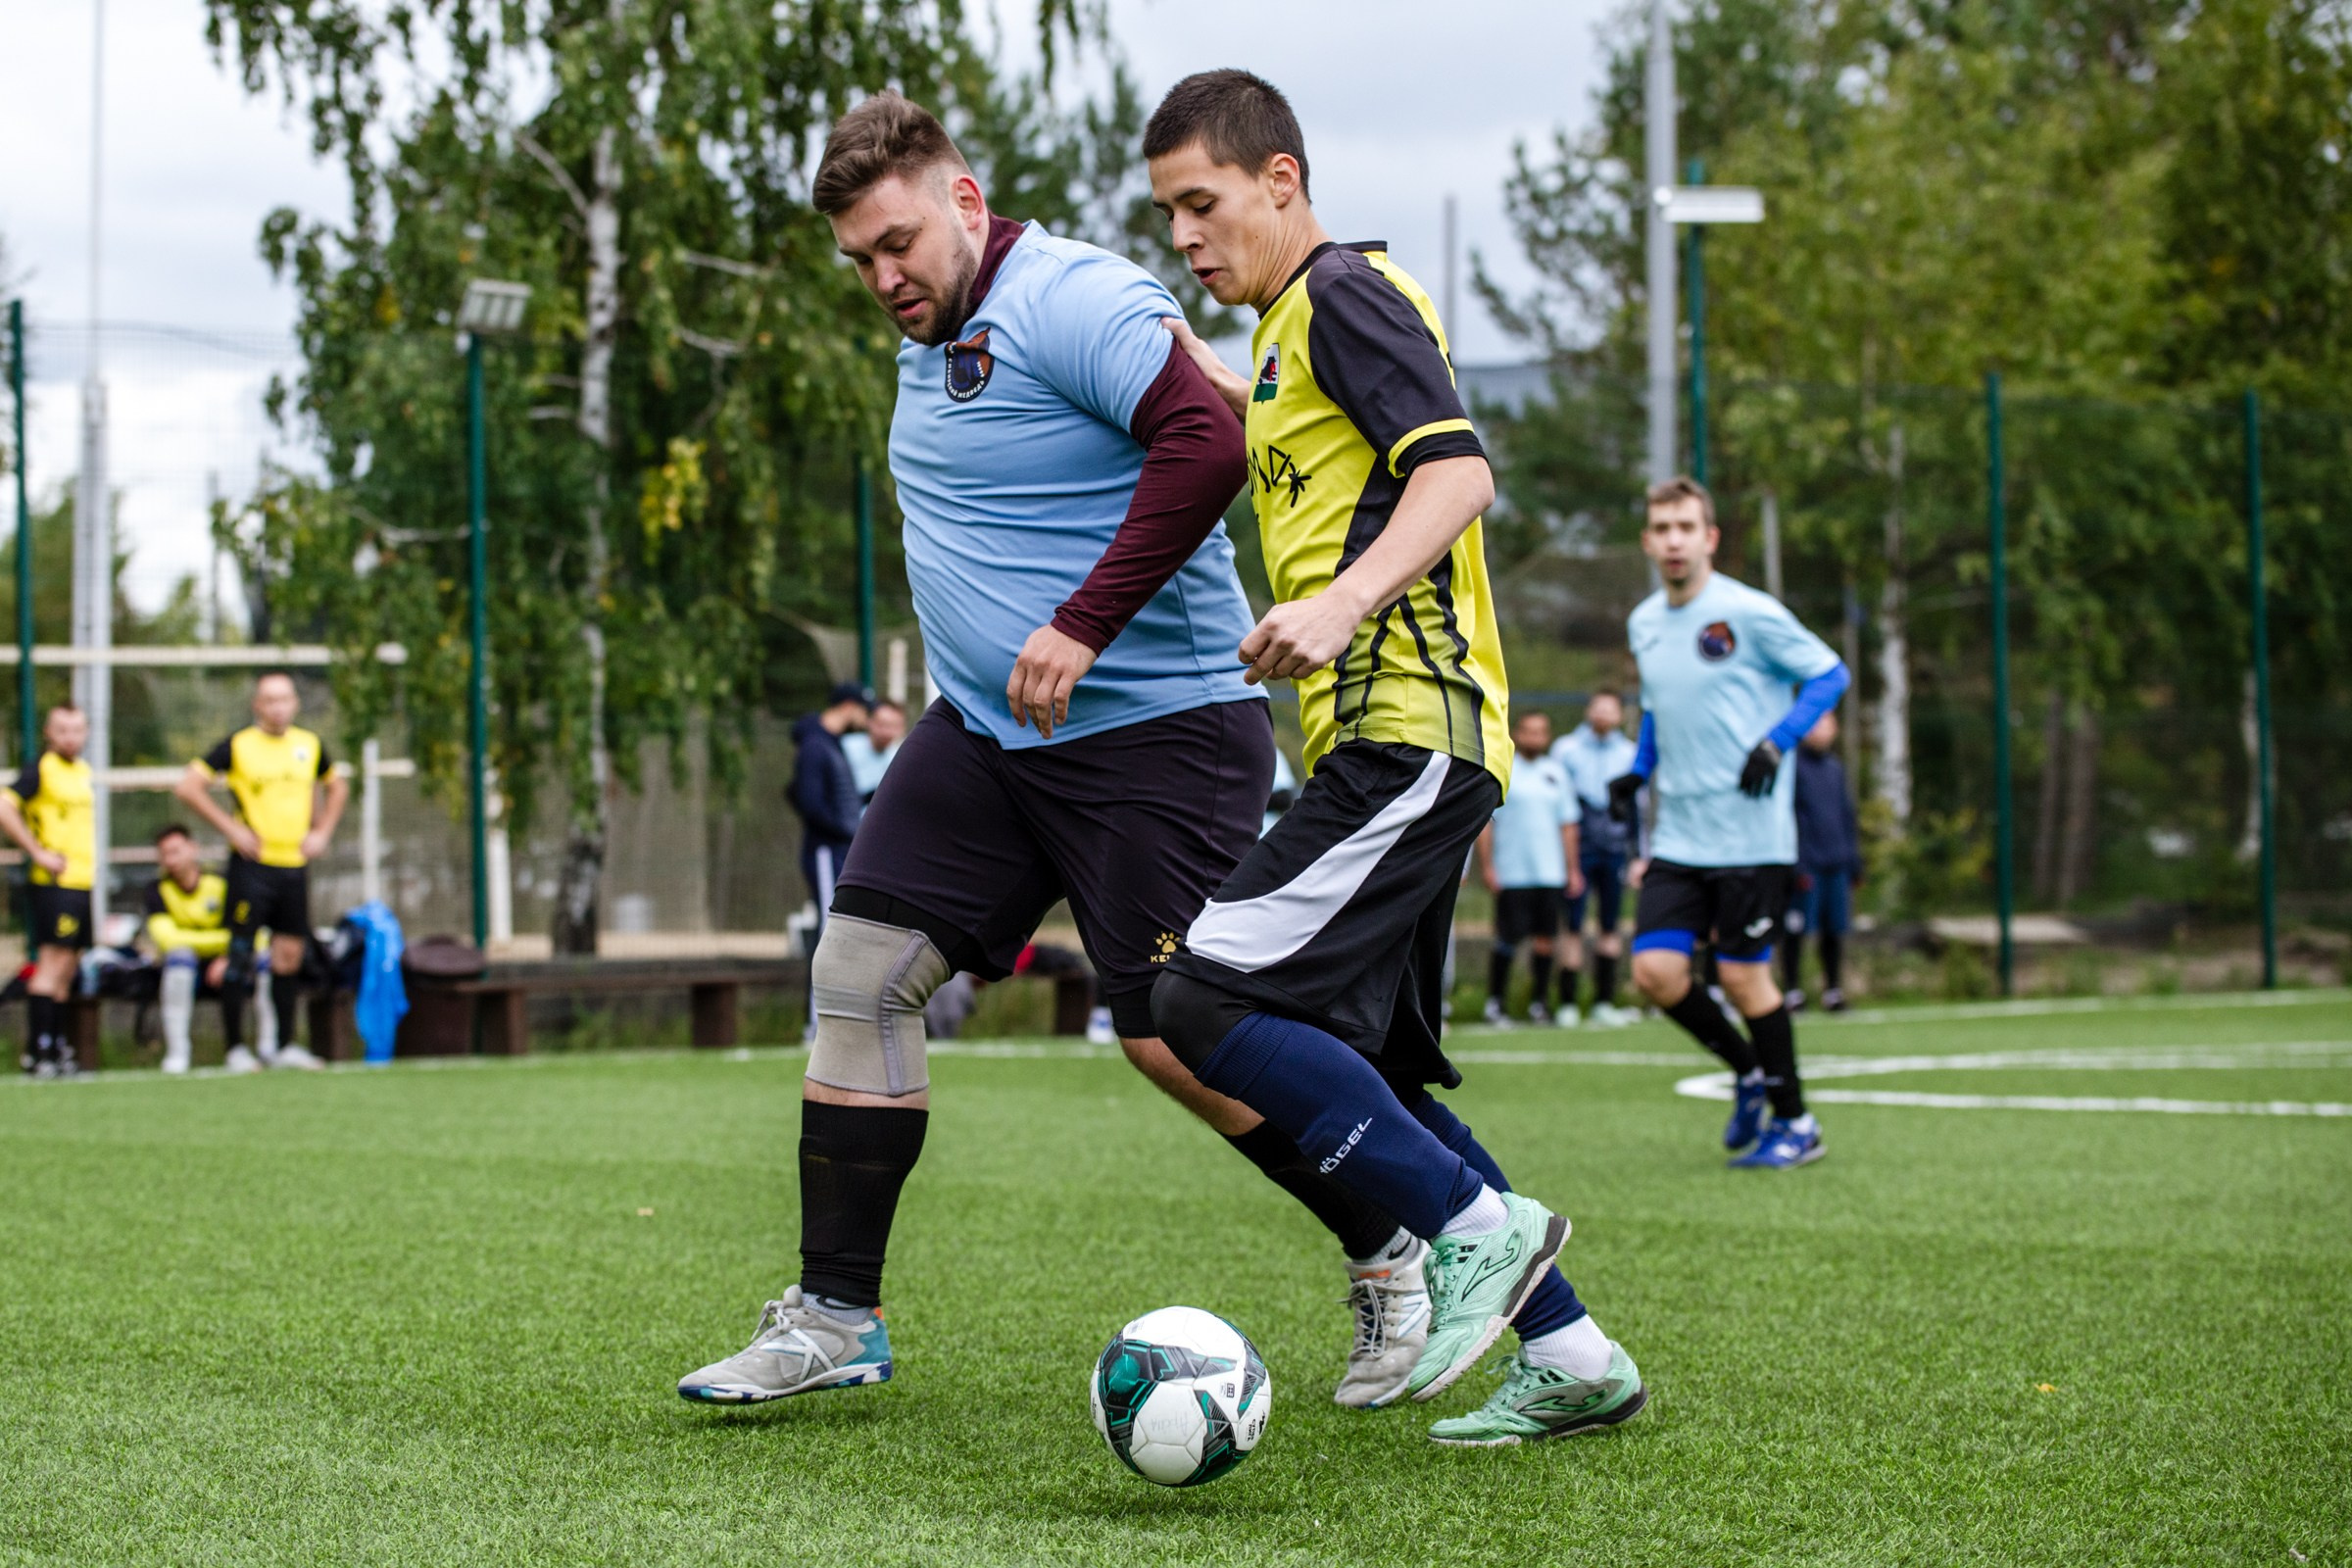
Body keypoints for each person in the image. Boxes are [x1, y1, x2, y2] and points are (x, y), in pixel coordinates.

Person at [678, 91, 1430, 1414]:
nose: (883, 276)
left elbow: (1209, 440)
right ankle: (836, 1316)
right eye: (860, 259)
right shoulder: (937, 326)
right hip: (988, 737)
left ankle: (1395, 1246)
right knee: (859, 973)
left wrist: (1080, 623)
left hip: (1158, 735)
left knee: (1182, 1040)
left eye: (899, 243)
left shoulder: (1073, 296)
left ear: (967, 204)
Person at [1146, 69, 1646, 1446]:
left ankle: (1477, 1232)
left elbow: (1459, 472)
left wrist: (1340, 600)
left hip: (1407, 735)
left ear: (1283, 180)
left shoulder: (1344, 297)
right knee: (1387, 1081)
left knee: (1195, 1003)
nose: (1188, 234)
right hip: (1387, 747)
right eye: (1167, 216)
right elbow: (1243, 393)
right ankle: (1576, 1355)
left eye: (1205, 203)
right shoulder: (1284, 335)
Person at [1609, 477, 1849, 1170]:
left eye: (1687, 526)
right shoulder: (1646, 621)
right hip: (1680, 835)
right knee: (1655, 971)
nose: (1674, 540)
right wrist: (1638, 768)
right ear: (1649, 541)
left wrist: (1778, 740)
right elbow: (1656, 707)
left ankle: (1797, 1122)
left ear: (1709, 537)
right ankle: (1747, 1069)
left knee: (1747, 982)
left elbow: (1829, 674)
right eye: (1662, 528)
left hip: (1749, 836)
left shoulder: (1749, 611)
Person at [174, 671, 346, 1073]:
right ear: (257, 705)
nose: (277, 707)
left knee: (289, 954)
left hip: (293, 865)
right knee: (240, 954)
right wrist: (231, 828)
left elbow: (336, 786)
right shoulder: (238, 746)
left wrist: (322, 832)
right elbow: (188, 786)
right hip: (252, 867)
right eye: (269, 700)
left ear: (295, 704)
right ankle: (235, 1048)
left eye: (284, 699)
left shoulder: (309, 745)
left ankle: (283, 1045)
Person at [0, 705, 96, 1077]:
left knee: (67, 968)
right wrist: (38, 852)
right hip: (55, 883)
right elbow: (5, 807)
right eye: (62, 730)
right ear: (48, 733)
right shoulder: (40, 769)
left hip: (81, 881)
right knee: (51, 965)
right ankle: (38, 1051)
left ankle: (56, 1047)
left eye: (77, 729)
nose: (70, 737)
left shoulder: (83, 772)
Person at [1473, 710, 1581, 1027]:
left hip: (1550, 873)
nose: (1535, 737)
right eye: (1529, 731)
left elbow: (1568, 825)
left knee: (1546, 940)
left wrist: (1572, 869)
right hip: (1512, 872)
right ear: (1518, 733)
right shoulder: (1504, 768)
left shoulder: (1557, 773)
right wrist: (1488, 866)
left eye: (1541, 732)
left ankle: (1539, 1004)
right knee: (1507, 937)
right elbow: (1486, 825)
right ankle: (1496, 1005)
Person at [141, 823, 275, 1075]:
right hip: (188, 970)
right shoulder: (156, 890)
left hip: (226, 965)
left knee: (263, 961)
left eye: (176, 851)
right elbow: (168, 940)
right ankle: (178, 1054)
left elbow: (250, 934)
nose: (171, 860)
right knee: (180, 959)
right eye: (165, 854)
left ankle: (266, 1048)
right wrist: (223, 943)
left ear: (193, 849)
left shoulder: (221, 884)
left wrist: (228, 955)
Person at [1551, 689, 1641, 1026]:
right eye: (1598, 707)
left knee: (1610, 925)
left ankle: (1605, 1002)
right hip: (1579, 846)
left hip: (1615, 847)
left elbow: (1637, 809)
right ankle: (1568, 1004)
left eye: (1611, 708)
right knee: (1572, 925)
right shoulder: (1566, 749)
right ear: (1589, 710)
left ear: (1619, 714)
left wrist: (1637, 855)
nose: (1604, 714)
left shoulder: (1629, 754)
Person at [1784, 710, 1862, 1011]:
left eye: (1827, 723)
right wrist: (1797, 863)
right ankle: (1793, 992)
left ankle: (1833, 991)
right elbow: (1790, 818)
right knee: (1797, 929)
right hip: (1807, 866)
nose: (1821, 729)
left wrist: (1853, 861)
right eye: (1815, 722)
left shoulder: (1834, 769)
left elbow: (1846, 816)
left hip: (1836, 864)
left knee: (1834, 930)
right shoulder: (1793, 767)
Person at [789, 682, 872, 920]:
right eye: (863, 710)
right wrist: (844, 830)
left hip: (837, 849)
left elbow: (836, 796)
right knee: (829, 923)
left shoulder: (831, 742)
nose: (866, 717)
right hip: (825, 850)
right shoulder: (815, 745)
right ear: (848, 707)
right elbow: (811, 803)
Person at [840, 698, 906, 806]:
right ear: (869, 721)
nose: (886, 732)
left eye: (894, 726)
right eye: (882, 724)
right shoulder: (845, 747)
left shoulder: (901, 758)